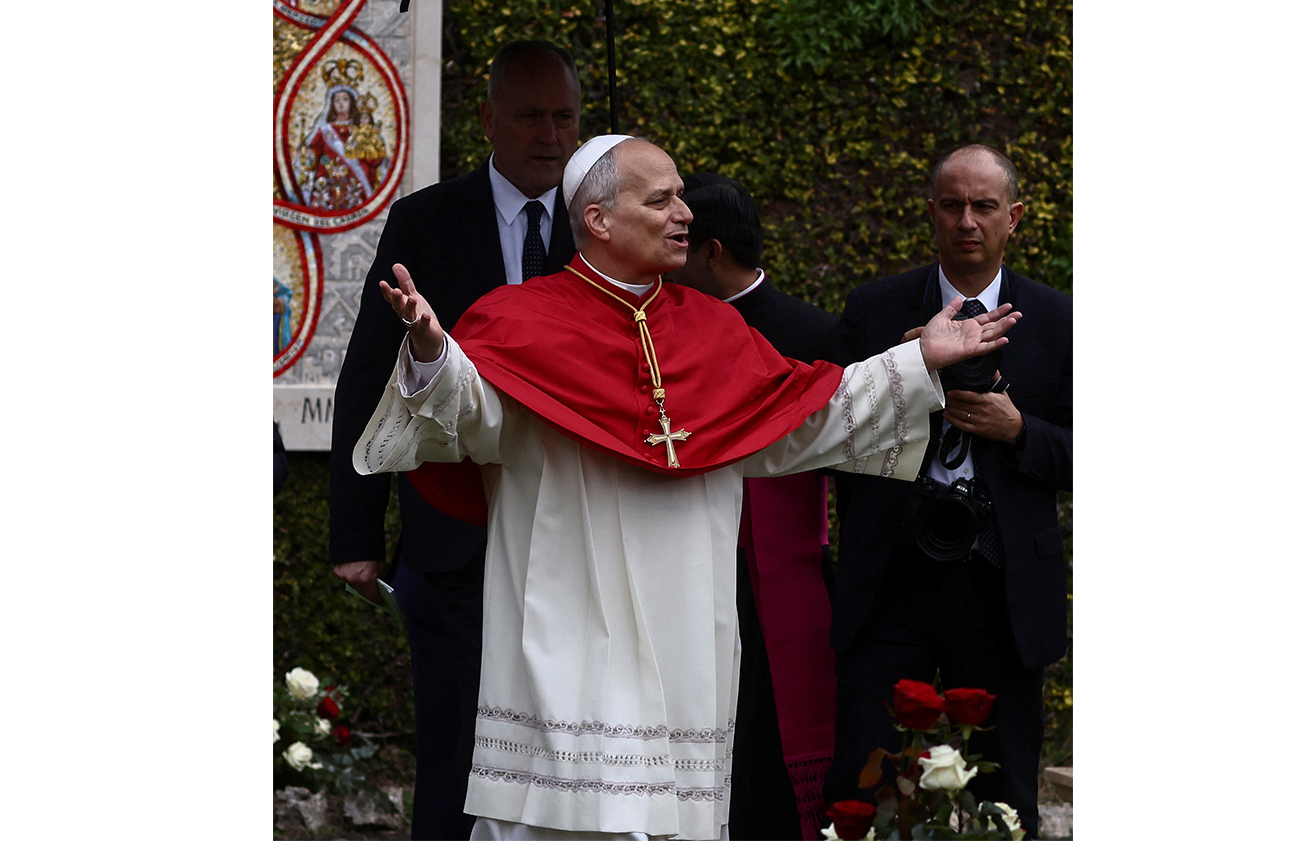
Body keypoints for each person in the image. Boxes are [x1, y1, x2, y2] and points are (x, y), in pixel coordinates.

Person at [354, 135, 1021, 841]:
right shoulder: (517, 320)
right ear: (599, 220)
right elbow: (473, 421)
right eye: (662, 199)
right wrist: (433, 355)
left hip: (688, 619)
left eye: (681, 197)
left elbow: (802, 418)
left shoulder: (715, 328)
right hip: (569, 614)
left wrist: (920, 361)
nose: (685, 215)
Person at [328, 40, 581, 841]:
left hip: (578, 536)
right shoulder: (427, 222)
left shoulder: (607, 225)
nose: (551, 134)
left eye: (567, 116)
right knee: (454, 758)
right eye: (532, 116)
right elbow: (371, 376)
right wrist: (356, 533)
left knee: (570, 758)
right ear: (488, 121)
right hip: (454, 543)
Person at [824, 145, 1072, 839]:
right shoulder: (874, 311)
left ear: (1014, 217)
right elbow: (827, 435)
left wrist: (1020, 429)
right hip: (889, 581)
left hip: (1002, 584)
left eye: (984, 206)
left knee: (1005, 791)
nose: (968, 221)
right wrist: (902, 379)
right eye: (953, 205)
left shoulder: (1060, 322)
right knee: (863, 786)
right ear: (930, 213)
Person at [666, 173, 839, 840]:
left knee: (765, 736)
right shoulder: (665, 330)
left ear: (709, 252)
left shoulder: (813, 332)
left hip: (777, 571)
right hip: (688, 561)